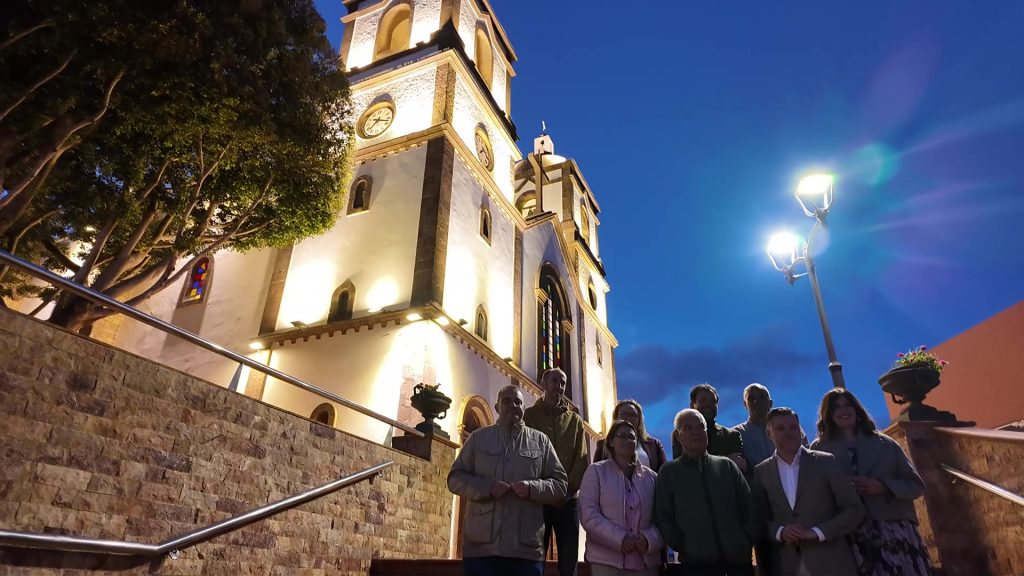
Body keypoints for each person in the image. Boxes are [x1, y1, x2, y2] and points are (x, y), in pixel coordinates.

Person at [448, 385, 569, 576]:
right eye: (507, 401)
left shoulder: (541, 442)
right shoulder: (478, 438)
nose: (513, 405)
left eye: (518, 402)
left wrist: (531, 488)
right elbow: (455, 479)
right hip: (482, 551)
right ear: (497, 407)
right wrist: (487, 487)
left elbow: (560, 486)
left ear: (523, 408)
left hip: (526, 552)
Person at [811, 388, 932, 576]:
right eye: (836, 407)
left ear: (856, 410)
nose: (843, 410)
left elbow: (915, 484)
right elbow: (815, 492)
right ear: (828, 414)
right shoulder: (818, 449)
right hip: (850, 534)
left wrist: (883, 486)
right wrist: (842, 487)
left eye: (848, 405)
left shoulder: (886, 443)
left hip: (893, 529)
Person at [752, 407, 864, 576]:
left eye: (793, 427)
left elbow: (854, 509)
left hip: (832, 562)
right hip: (788, 566)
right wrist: (780, 532)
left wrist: (817, 532)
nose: (789, 433)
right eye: (781, 429)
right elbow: (759, 518)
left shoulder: (825, 462)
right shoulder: (762, 472)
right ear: (769, 434)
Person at [656, 409, 756, 576]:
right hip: (695, 566)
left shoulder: (726, 466)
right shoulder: (669, 473)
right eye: (688, 428)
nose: (696, 432)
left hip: (739, 563)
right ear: (678, 436)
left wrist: (745, 540)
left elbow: (749, 507)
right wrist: (683, 545)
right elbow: (663, 517)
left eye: (700, 427)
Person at [524, 368, 589, 576]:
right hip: (539, 500)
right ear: (544, 384)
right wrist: (540, 489)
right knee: (534, 558)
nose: (559, 387)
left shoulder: (575, 420)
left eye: (563, 383)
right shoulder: (529, 416)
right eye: (555, 381)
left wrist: (567, 490)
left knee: (569, 562)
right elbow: (525, 454)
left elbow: (581, 458)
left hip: (568, 501)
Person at [580, 420, 664, 576]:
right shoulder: (596, 472)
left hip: (645, 563)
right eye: (622, 436)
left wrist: (649, 539)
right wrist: (620, 539)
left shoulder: (652, 477)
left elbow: (663, 517)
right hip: (607, 562)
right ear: (611, 441)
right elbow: (589, 515)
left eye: (632, 437)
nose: (627, 440)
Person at [672, 384, 744, 472]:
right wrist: (727, 460)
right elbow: (683, 467)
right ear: (692, 405)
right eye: (703, 400)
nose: (708, 404)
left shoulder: (732, 435)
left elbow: (738, 466)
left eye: (713, 401)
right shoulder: (680, 434)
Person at [594, 399, 668, 471]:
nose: (628, 417)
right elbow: (596, 471)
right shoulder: (603, 444)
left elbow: (665, 473)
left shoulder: (654, 445)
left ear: (639, 420)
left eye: (633, 415)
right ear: (616, 418)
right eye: (624, 414)